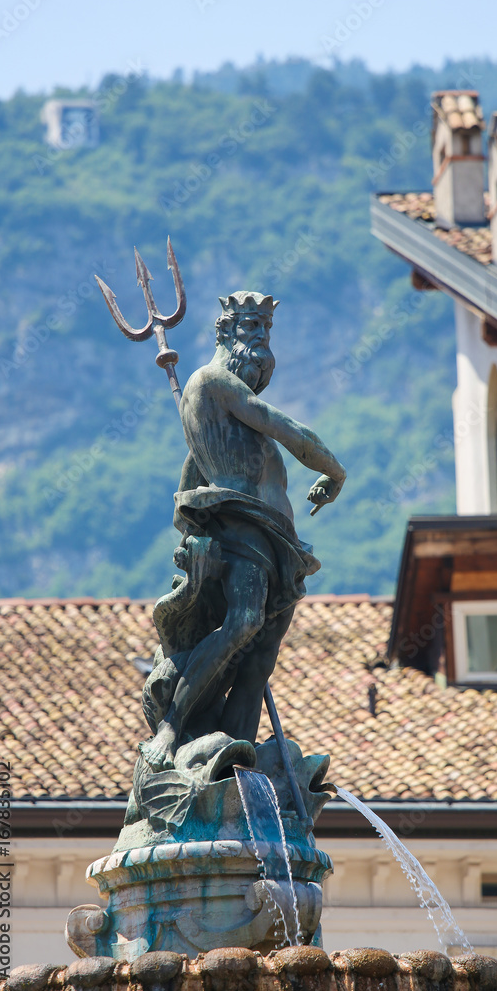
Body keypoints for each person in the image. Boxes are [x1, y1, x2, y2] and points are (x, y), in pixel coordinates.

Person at [139, 291, 346, 770]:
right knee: (243, 623)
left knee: (259, 661)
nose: (262, 348)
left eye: (266, 333)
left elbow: (189, 480)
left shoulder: (227, 412)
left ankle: (234, 759)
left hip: (280, 548)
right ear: (226, 334)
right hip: (244, 528)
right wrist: (335, 471)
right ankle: (171, 729)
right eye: (252, 333)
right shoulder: (212, 382)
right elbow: (287, 428)